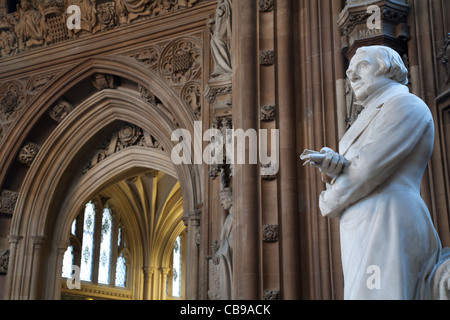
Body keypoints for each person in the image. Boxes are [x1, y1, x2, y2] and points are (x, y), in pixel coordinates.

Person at [305, 45, 444, 299]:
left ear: (389, 67)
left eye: (362, 67)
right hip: (360, 223)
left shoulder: (405, 104)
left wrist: (327, 199)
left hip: (389, 217)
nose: (352, 77)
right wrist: (333, 167)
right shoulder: (371, 113)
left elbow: (368, 169)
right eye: (349, 73)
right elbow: (357, 167)